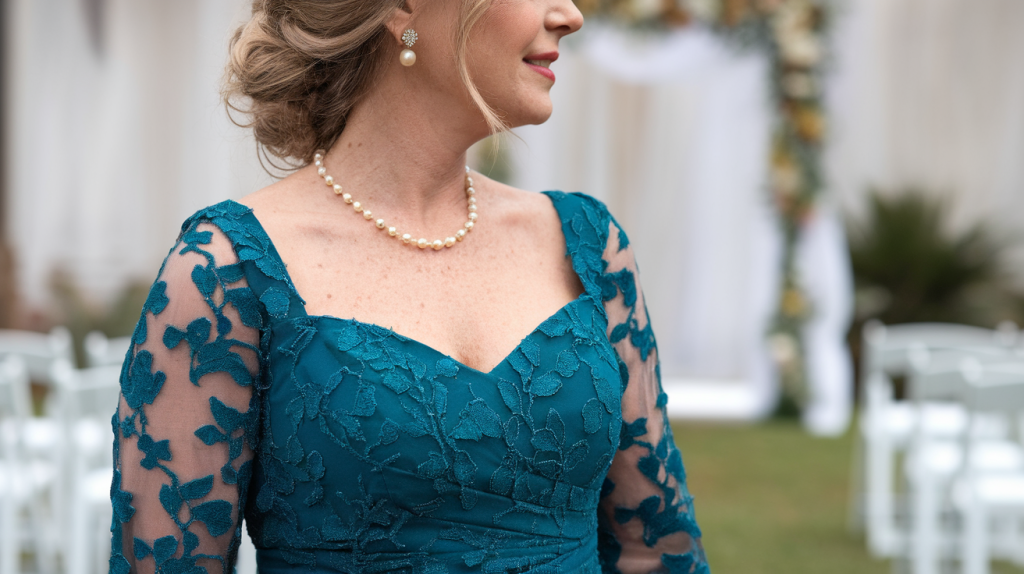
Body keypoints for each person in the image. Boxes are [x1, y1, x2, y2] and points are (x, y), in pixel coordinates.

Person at [109, 0, 708, 572]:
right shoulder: (223, 274)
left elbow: (657, 549)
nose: (570, 15)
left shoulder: (587, 246)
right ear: (404, 9)